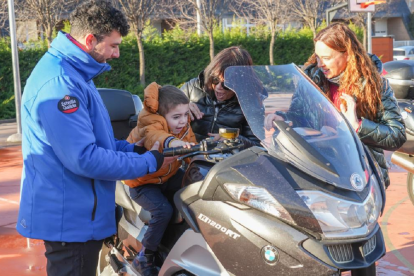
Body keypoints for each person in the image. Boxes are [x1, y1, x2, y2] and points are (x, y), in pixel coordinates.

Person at [16, 1, 166, 275]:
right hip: (71, 222)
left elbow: (98, 143)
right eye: (113, 45)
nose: (117, 53)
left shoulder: (76, 73)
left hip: (78, 215)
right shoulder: (61, 84)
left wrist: (133, 149)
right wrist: (147, 163)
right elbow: (84, 158)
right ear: (89, 40)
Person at [265, 23, 406, 188]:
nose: (319, 64)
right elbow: (298, 114)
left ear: (347, 55)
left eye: (326, 58)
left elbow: (397, 135)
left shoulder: (375, 85)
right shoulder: (312, 79)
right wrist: (283, 118)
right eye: (317, 57)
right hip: (320, 168)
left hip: (362, 174)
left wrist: (358, 126)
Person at [125, 83, 197, 275]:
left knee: (197, 190)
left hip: (168, 176)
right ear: (162, 117)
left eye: (185, 115)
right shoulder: (150, 124)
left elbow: (192, 149)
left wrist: (203, 158)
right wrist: (175, 143)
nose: (183, 121)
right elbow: (156, 136)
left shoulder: (183, 127)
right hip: (142, 182)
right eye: (176, 117)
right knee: (163, 210)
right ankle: (145, 256)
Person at [181, 46, 261, 148]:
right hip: (190, 156)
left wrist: (235, 140)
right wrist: (180, 107)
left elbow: (256, 146)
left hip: (226, 160)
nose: (218, 87)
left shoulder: (250, 101)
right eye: (214, 79)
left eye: (226, 84)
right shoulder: (192, 87)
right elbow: (162, 111)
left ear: (241, 83)